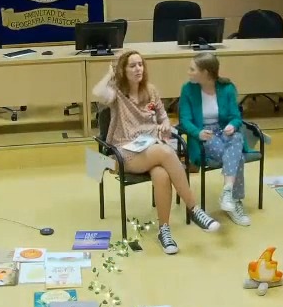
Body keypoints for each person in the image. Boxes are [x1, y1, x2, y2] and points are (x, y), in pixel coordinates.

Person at [92, 50, 221, 255]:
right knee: (166, 153)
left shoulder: (150, 90)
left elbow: (163, 117)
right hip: (125, 151)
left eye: (140, 64)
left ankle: (164, 231)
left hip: (151, 147)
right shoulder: (116, 92)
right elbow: (97, 93)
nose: (138, 69)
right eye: (132, 66)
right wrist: (110, 74)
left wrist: (165, 126)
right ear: (123, 71)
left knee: (161, 174)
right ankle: (194, 209)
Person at [178, 52, 255, 227]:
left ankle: (227, 191)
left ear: (205, 72)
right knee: (237, 157)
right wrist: (198, 133)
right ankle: (234, 201)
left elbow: (236, 117)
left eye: (192, 69)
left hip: (224, 132)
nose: (189, 72)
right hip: (204, 135)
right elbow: (185, 120)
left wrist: (233, 126)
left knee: (236, 138)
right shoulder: (188, 89)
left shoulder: (227, 88)